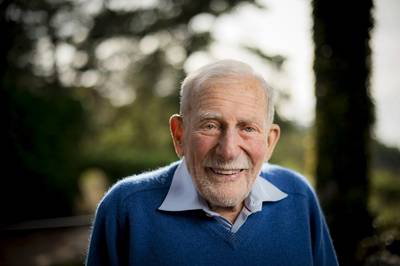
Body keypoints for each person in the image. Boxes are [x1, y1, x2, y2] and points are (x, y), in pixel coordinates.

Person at [86, 59, 338, 266]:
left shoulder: (298, 197)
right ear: (179, 135)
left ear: (270, 141)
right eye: (210, 125)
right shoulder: (126, 208)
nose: (228, 151)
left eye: (247, 128)